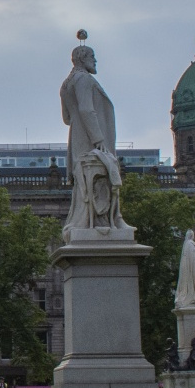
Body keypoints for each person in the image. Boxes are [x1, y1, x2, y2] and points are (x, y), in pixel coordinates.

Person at [59, 32, 130, 238]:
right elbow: (86, 109)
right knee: (101, 176)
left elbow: (66, 118)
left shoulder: (66, 84)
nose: (95, 60)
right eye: (92, 57)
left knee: (83, 182)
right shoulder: (84, 79)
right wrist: (98, 139)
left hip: (78, 136)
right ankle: (105, 220)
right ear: (82, 59)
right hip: (92, 139)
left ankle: (90, 220)